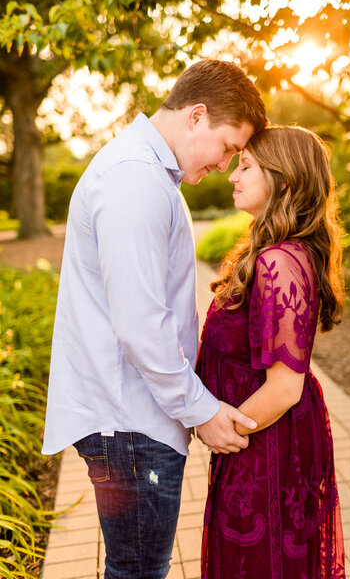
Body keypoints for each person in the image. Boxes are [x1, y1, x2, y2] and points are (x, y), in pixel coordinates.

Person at [41, 60, 267, 578]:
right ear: (196, 115)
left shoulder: (144, 172)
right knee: (139, 572)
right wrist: (202, 411)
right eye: (229, 146)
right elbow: (142, 327)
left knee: (136, 568)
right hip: (131, 424)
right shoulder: (135, 180)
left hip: (134, 419)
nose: (227, 163)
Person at [196, 125, 346, 578]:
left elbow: (284, 388)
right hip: (257, 434)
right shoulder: (270, 250)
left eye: (246, 167)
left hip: (265, 441)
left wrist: (220, 430)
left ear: (282, 179)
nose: (232, 176)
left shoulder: (280, 261)